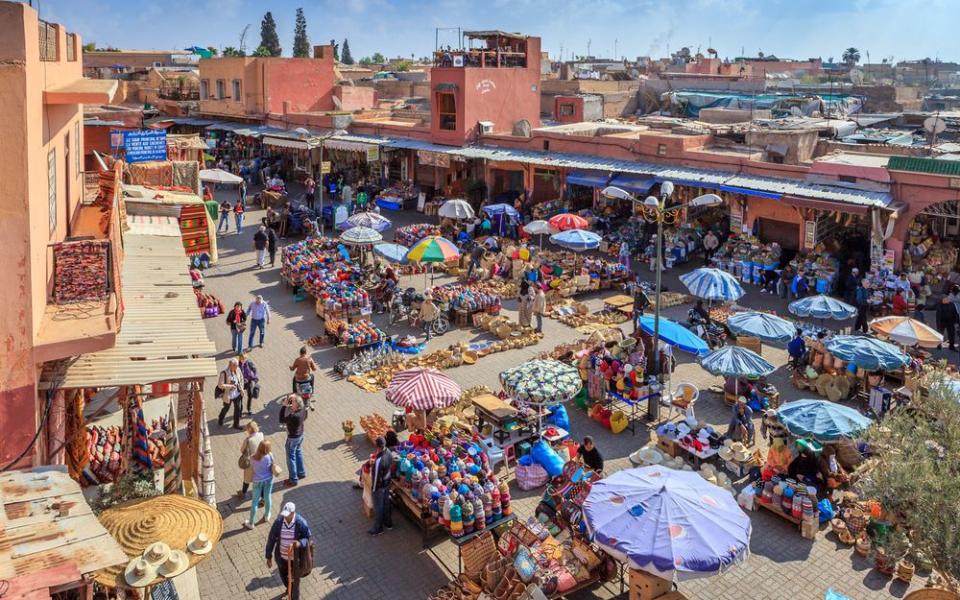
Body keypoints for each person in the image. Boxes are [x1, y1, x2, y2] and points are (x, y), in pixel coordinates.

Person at [265, 502, 312, 600]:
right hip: (281, 558)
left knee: (296, 582)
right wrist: (268, 557)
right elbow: (271, 539)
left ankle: (294, 595)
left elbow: (307, 538)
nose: (285, 517)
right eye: (284, 514)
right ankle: (289, 588)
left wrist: (299, 543)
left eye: (287, 515)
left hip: (296, 560)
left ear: (293, 513)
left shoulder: (301, 523)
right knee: (283, 576)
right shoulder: (278, 522)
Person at [244, 439, 276, 529]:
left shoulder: (253, 457)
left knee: (254, 501)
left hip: (257, 481)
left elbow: (251, 468)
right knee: (267, 497)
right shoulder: (270, 455)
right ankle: (266, 516)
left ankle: (251, 523)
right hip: (268, 480)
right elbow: (273, 465)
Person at [368, 436, 395, 536]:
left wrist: (374, 489)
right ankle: (388, 523)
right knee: (386, 504)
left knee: (378, 508)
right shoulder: (388, 452)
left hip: (379, 487)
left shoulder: (379, 461)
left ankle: (378, 528)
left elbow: (376, 479)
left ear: (377, 446)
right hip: (387, 483)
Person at [279, 394, 307, 487]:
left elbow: (281, 419)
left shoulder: (293, 416)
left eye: (293, 402)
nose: (291, 403)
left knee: (291, 458)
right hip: (300, 435)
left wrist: (284, 406)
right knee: (298, 452)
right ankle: (301, 473)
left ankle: (293, 479)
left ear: (297, 405)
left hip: (292, 438)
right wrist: (292, 397)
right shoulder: (303, 410)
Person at [237, 421, 264, 497]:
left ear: (249, 430)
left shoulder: (248, 440)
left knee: (247, 479)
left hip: (251, 462)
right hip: (260, 460)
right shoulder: (261, 435)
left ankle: (243, 493)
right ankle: (263, 498)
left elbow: (242, 450)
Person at [216, 358, 245, 430]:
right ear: (230, 365)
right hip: (228, 395)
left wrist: (241, 387)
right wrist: (230, 386)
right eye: (235, 366)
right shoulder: (224, 373)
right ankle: (221, 418)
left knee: (238, 409)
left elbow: (241, 378)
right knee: (226, 408)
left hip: (237, 394)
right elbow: (220, 385)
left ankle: (236, 424)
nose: (236, 367)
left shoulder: (238, 369)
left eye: (237, 365)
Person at [290, 346, 317, 411]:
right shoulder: (309, 359)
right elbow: (314, 369)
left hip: (299, 379)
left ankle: (294, 392)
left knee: (294, 379)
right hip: (307, 378)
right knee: (312, 376)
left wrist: (290, 367)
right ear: (306, 352)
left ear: (300, 353)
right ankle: (312, 392)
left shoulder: (297, 360)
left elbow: (292, 369)